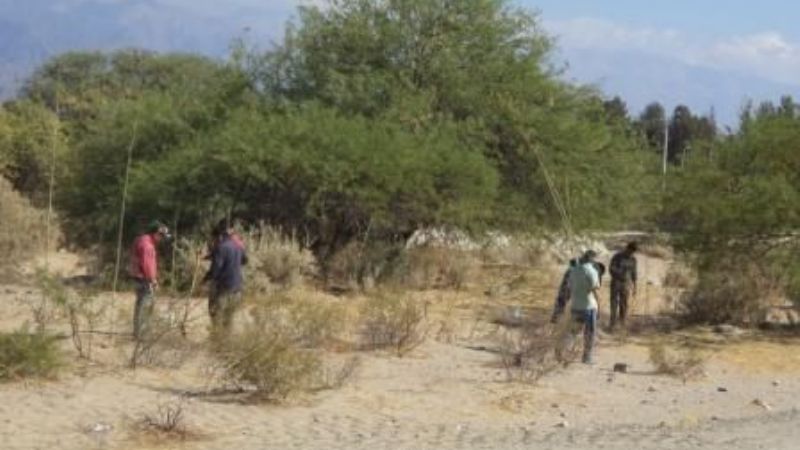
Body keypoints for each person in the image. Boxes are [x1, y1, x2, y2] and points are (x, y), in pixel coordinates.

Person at [556, 249, 601, 364]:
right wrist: (599, 305)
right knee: (589, 332)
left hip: (576, 305)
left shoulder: (573, 270)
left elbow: (569, 288)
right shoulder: (591, 271)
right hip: (589, 306)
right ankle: (587, 357)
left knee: (572, 331)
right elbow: (595, 289)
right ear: (592, 259)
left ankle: (560, 349)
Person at [204, 221, 247, 337]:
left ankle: (216, 343)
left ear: (220, 235)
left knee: (216, 315)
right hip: (237, 288)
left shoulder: (221, 247)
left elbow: (216, 269)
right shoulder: (238, 245)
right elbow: (244, 260)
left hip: (223, 289)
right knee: (229, 319)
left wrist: (206, 279)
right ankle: (226, 344)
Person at [129, 220, 170, 340]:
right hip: (144, 279)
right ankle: (142, 335)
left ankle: (138, 333)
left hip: (138, 278)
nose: (162, 239)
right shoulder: (147, 246)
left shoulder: (140, 240)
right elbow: (147, 265)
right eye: (161, 236)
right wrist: (153, 280)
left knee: (140, 305)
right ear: (156, 233)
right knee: (146, 306)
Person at [609, 242, 638, 331]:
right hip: (616, 282)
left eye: (633, 252)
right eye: (630, 251)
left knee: (624, 303)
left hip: (626, 284)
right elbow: (611, 268)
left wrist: (635, 286)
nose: (631, 253)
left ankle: (622, 323)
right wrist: (620, 273)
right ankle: (612, 324)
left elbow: (634, 273)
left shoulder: (633, 259)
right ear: (627, 248)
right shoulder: (617, 256)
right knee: (614, 303)